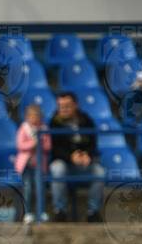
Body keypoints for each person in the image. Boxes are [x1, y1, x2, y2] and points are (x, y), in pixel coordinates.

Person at [48, 92, 105, 223]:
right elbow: (54, 149)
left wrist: (88, 155)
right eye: (60, 106)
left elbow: (93, 144)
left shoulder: (86, 120)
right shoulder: (54, 122)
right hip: (64, 163)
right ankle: (60, 211)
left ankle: (93, 212)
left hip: (84, 164)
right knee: (57, 169)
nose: (63, 109)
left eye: (67, 105)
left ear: (76, 105)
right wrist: (70, 157)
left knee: (100, 172)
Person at [15, 104, 52, 224]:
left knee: (40, 188)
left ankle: (41, 212)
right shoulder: (24, 128)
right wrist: (33, 144)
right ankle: (28, 213)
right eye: (31, 116)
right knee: (28, 188)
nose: (34, 119)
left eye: (36, 116)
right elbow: (20, 145)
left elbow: (48, 146)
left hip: (39, 165)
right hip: (26, 166)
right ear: (27, 117)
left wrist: (39, 144)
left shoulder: (44, 129)